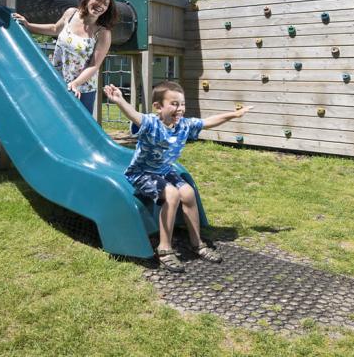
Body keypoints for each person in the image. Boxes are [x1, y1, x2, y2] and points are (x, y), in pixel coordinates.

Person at [103, 80, 253, 272]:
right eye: (174, 104)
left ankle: (196, 242)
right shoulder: (151, 124)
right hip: (142, 173)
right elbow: (135, 116)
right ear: (158, 107)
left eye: (182, 104)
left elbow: (208, 122)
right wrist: (120, 102)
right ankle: (164, 248)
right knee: (172, 194)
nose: (180, 109)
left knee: (188, 193)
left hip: (164, 171)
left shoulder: (184, 125)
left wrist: (235, 114)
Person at [13, 0, 117, 113]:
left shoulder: (103, 33)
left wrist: (75, 83)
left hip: (82, 89)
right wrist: (28, 25)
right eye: (98, 0)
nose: (101, 5)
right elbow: (55, 29)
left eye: (105, 4)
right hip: (57, 80)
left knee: (78, 127)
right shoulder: (71, 13)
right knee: (51, 119)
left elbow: (94, 65)